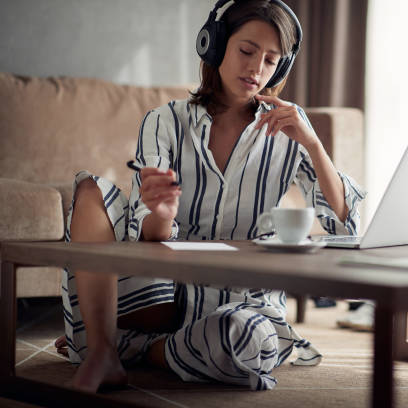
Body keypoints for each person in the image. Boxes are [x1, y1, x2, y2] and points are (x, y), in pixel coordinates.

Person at [54, 0, 365, 393]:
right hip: (161, 295)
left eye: (271, 60)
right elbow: (148, 238)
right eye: (247, 51)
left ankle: (142, 351)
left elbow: (343, 223)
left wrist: (315, 144)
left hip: (243, 305)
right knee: (90, 189)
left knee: (246, 338)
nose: (256, 69)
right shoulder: (163, 121)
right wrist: (163, 213)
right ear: (215, 45)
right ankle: (102, 352)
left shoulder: (289, 130)